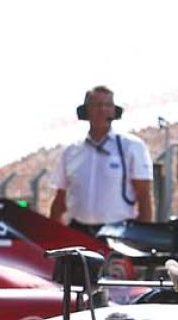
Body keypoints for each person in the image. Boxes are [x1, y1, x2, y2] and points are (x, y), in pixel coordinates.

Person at [49, 86, 153, 234]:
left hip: (118, 232)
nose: (103, 110)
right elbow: (59, 199)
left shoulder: (131, 147)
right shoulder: (71, 151)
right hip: (78, 231)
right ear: (86, 111)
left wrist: (143, 236)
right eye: (97, 105)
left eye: (108, 105)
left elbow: (144, 196)